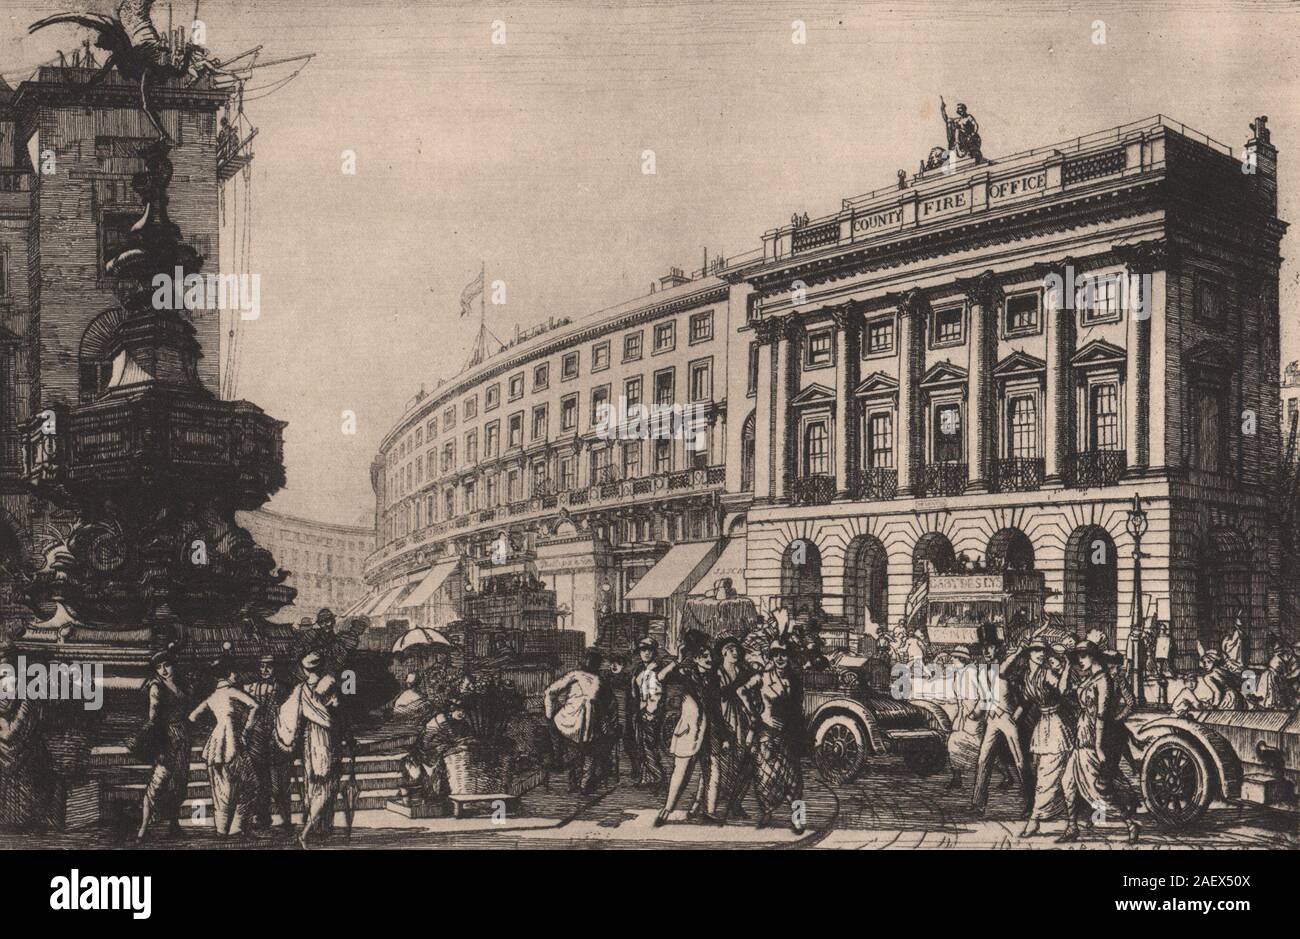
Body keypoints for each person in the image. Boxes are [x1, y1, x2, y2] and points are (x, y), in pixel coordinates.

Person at [1057, 640, 1140, 844]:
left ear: (1095, 657)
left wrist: (1098, 747)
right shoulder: (1089, 679)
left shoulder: (1104, 681)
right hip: (1081, 737)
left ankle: (1130, 823)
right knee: (1068, 783)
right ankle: (1072, 826)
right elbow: (1063, 692)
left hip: (1094, 739)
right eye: (1077, 657)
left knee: (1100, 790)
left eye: (1083, 656)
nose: (1080, 661)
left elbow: (1102, 716)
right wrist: (1067, 667)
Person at [655, 633, 727, 826]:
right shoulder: (685, 673)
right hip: (689, 730)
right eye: (704, 656)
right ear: (695, 658)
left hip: (710, 731)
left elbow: (717, 710)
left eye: (711, 656)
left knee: (712, 770)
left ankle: (708, 811)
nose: (709, 659)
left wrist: (725, 735)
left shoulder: (714, 679)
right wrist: (678, 659)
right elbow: (661, 677)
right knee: (681, 772)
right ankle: (667, 809)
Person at [276, 648, 344, 848]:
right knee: (326, 784)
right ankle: (308, 832)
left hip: (310, 738)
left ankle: (317, 828)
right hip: (325, 738)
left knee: (313, 784)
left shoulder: (301, 689)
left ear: (305, 670)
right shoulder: (330, 682)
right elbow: (337, 710)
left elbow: (288, 715)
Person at [739, 639, 806, 834]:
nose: (780, 658)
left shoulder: (795, 679)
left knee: (795, 781)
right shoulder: (763, 677)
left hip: (788, 735)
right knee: (766, 777)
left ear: (789, 656)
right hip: (767, 734)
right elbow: (741, 690)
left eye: (783, 654)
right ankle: (767, 813)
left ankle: (798, 820)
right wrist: (759, 715)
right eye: (775, 654)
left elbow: (797, 707)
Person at [189, 656, 259, 837]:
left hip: (216, 744)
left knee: (221, 789)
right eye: (235, 672)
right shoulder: (232, 691)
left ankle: (222, 829)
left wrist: (215, 726)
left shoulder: (212, 697)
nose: (237, 676)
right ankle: (237, 828)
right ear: (229, 674)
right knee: (249, 785)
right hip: (233, 741)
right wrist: (246, 731)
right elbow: (255, 706)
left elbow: (192, 717)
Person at [132, 647, 191, 843]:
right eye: (159, 667)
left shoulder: (180, 683)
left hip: (182, 736)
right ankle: (143, 829)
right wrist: (157, 744)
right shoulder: (156, 687)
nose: (164, 670)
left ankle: (173, 825)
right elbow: (153, 718)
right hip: (165, 737)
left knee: (179, 783)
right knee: (158, 783)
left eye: (167, 665)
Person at [1019, 640, 1074, 837]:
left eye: (1042, 650)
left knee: (1047, 775)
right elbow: (1027, 699)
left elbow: (1062, 691)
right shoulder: (1028, 676)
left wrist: (1066, 668)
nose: (1040, 653)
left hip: (1056, 725)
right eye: (1035, 650)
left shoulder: (1047, 672)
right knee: (1051, 775)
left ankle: (1035, 820)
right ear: (1029, 654)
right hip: (1043, 725)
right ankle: (1071, 821)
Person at [544, 650, 615, 794]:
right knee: (587, 752)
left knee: (577, 752)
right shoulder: (597, 680)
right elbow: (609, 704)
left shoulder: (578, 676)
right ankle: (583, 783)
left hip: (571, 722)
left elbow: (550, 692)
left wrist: (550, 713)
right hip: (585, 724)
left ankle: (577, 782)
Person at [970, 645, 1029, 817]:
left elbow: (1025, 698)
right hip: (992, 720)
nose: (986, 651)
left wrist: (1016, 717)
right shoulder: (983, 673)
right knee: (983, 759)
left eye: (990, 647)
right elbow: (984, 699)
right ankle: (978, 804)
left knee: (1020, 761)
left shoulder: (1008, 670)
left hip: (1008, 720)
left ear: (998, 649)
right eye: (984, 649)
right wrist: (975, 714)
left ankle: (1031, 803)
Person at [244, 654, 294, 832]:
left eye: (268, 667)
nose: (264, 670)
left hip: (276, 738)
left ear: (275, 668)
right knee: (260, 782)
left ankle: (286, 818)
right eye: (261, 666)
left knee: (279, 783)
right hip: (257, 739)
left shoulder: (284, 688)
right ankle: (262, 816)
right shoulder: (252, 687)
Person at [714, 635, 754, 819]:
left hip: (742, 720)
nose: (735, 653)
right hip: (724, 719)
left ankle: (735, 802)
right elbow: (723, 693)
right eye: (731, 650)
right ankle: (723, 804)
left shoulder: (743, 671)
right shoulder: (717, 673)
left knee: (745, 763)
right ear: (723, 653)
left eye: (737, 650)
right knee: (725, 765)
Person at [627, 638, 666, 788]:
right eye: (643, 650)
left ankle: (657, 776)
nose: (646, 653)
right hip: (639, 710)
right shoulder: (639, 669)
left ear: (654, 652)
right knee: (641, 744)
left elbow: (656, 694)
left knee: (648, 744)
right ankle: (647, 777)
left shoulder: (655, 669)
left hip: (650, 712)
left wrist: (650, 712)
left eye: (649, 650)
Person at [944, 646, 983, 791]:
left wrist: (974, 713)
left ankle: (1005, 774)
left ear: (961, 659)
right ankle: (956, 778)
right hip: (962, 714)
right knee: (954, 742)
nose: (952, 660)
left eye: (954, 657)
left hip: (973, 713)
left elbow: (980, 695)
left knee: (979, 746)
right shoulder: (959, 673)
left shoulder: (971, 672)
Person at [1172, 650, 1242, 713]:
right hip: (1236, 696)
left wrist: (1214, 706)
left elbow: (1217, 692)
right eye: (1204, 662)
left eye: (1209, 662)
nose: (1206, 665)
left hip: (1227, 699)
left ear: (1214, 661)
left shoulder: (1208, 676)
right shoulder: (1223, 671)